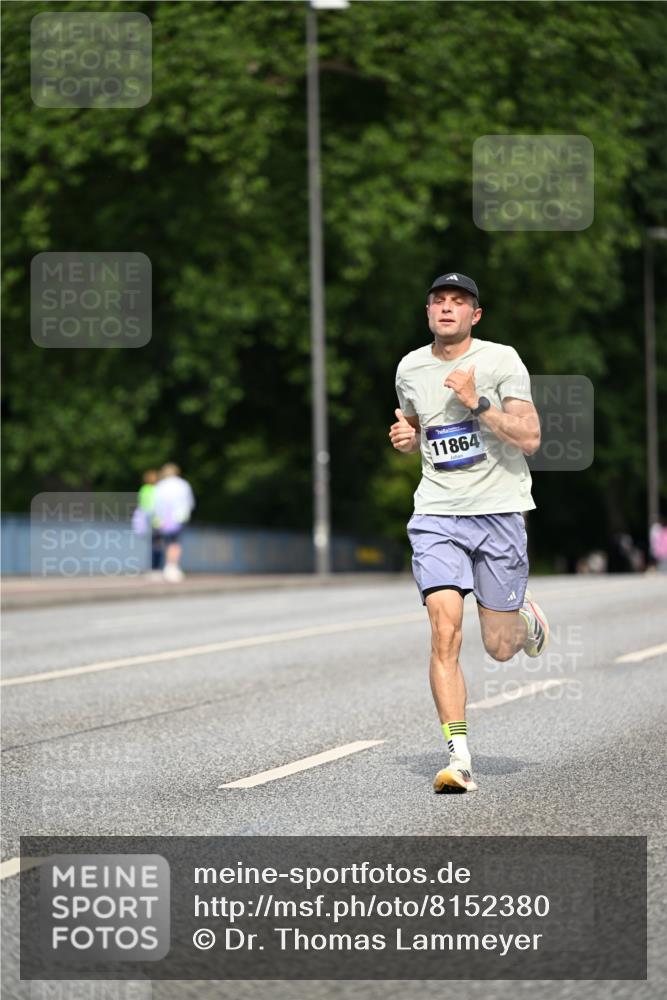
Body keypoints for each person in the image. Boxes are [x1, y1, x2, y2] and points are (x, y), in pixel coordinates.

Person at [390, 272, 550, 793]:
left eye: (458, 302)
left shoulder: (501, 360)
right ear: (428, 311)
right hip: (436, 513)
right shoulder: (409, 368)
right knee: (444, 630)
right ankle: (458, 759)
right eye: (438, 300)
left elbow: (530, 438)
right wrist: (407, 438)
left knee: (500, 648)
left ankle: (523, 618)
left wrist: (477, 401)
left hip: (498, 512)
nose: (446, 308)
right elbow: (419, 426)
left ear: (474, 315)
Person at [153, 463, 195, 582]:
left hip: (163, 518)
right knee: (175, 542)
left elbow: (156, 504)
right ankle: (172, 566)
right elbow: (189, 502)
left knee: (166, 542)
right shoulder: (183, 484)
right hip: (178, 517)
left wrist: (158, 518)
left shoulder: (160, 485)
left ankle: (167, 566)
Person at [133, 469, 163, 578]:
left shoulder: (144, 489)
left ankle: (149, 568)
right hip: (156, 521)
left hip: (147, 521)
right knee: (157, 545)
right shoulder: (159, 489)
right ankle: (155, 568)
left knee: (149, 545)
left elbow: (142, 506)